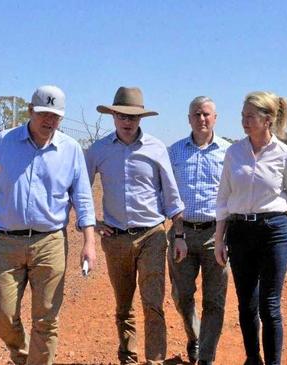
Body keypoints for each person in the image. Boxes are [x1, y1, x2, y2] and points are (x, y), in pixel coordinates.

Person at [0, 85, 96, 365]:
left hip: (49, 242)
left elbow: (83, 199)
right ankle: (23, 356)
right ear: (30, 111)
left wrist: (89, 242)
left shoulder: (70, 150)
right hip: (6, 243)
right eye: (44, 114)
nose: (49, 121)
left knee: (46, 319)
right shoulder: (4, 142)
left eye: (56, 116)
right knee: (2, 316)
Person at [85, 86, 185, 365]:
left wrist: (178, 234)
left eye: (133, 117)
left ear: (141, 119)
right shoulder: (98, 150)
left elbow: (171, 194)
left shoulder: (156, 149)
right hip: (115, 238)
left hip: (152, 235)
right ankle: (127, 357)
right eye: (122, 116)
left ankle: (154, 359)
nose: (127, 122)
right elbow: (79, 187)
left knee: (153, 303)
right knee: (123, 305)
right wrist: (92, 221)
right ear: (113, 116)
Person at [214, 91, 287, 365]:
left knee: (270, 306)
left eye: (250, 116)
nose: (244, 121)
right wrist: (219, 240)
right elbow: (223, 199)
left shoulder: (286, 155)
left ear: (268, 120)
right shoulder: (234, 153)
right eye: (243, 116)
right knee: (246, 304)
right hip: (240, 232)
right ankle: (253, 358)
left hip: (274, 231)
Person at [167, 96, 230, 365]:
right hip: (181, 233)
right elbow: (167, 194)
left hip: (217, 235)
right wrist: (177, 232)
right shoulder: (174, 152)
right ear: (188, 118)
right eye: (196, 114)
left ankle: (206, 356)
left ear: (215, 117)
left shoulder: (229, 152)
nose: (201, 119)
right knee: (181, 296)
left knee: (214, 301)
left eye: (206, 114)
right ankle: (194, 335)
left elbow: (235, 195)